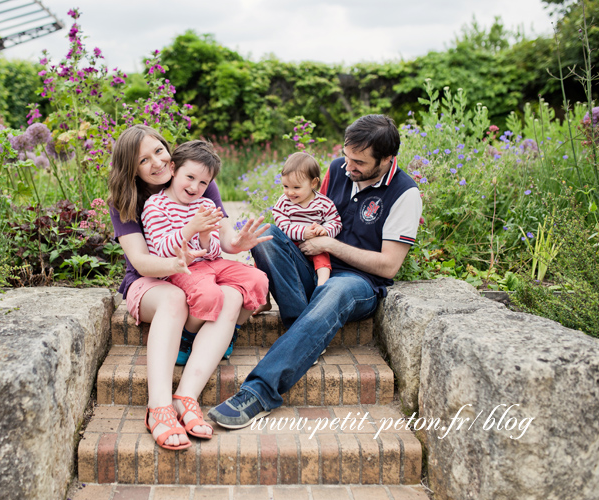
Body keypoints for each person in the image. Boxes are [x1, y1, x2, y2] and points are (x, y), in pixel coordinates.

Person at [208, 114, 423, 429]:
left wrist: (331, 246)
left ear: (387, 159)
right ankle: (305, 328)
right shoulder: (337, 169)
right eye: (347, 157)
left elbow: (389, 264)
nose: (348, 167)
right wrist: (307, 234)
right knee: (267, 236)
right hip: (313, 267)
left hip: (357, 284)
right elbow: (311, 211)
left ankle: (259, 391)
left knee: (334, 291)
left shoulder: (405, 194)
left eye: (359, 162)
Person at [108, 125, 271, 449]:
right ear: (131, 168)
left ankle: (187, 397)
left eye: (159, 150)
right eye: (143, 160)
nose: (156, 162)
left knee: (231, 293)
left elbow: (220, 238)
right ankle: (159, 407)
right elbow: (142, 262)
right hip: (151, 278)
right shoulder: (129, 200)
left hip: (195, 267)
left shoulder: (195, 181)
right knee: (175, 299)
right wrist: (178, 264)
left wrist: (236, 244)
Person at [142, 140, 269, 341]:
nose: (195, 187)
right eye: (190, 177)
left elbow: (214, 252)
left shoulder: (207, 204)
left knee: (258, 279)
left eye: (203, 182)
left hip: (211, 264)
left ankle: (231, 332)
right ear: (173, 168)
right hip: (181, 269)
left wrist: (204, 237)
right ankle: (188, 337)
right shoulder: (155, 206)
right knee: (210, 295)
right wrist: (191, 228)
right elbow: (160, 250)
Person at [272, 152, 342, 288]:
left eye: (296, 187)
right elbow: (282, 226)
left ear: (313, 183)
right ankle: (264, 297)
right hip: (291, 243)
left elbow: (336, 222)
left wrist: (325, 230)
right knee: (266, 252)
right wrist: (303, 232)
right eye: (286, 186)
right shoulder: (283, 203)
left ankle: (322, 284)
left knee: (323, 256)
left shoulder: (324, 203)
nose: (290, 192)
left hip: (315, 243)